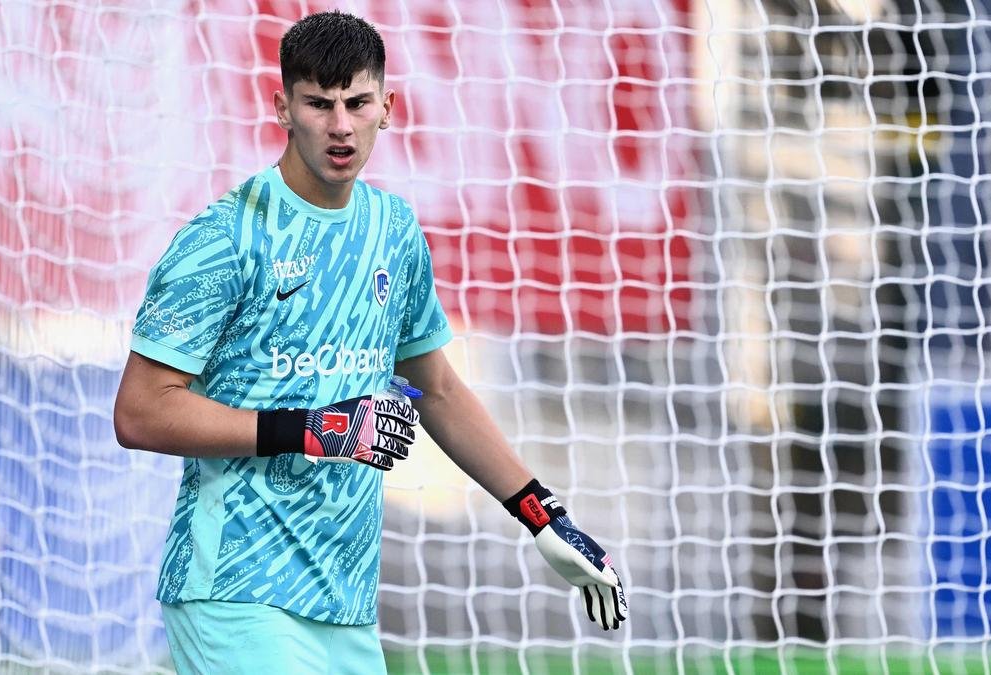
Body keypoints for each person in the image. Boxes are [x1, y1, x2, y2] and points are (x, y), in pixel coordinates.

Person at [112, 10, 626, 674]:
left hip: (345, 604)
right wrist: (311, 429)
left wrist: (542, 513)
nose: (340, 125)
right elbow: (140, 411)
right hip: (235, 590)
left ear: (387, 108)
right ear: (282, 109)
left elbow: (437, 390)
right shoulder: (225, 236)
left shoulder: (393, 230)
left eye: (356, 103)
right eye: (318, 104)